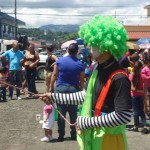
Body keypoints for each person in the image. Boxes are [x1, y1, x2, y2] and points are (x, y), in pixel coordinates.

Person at [40, 15, 132, 150]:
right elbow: (86, 95)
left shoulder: (120, 77)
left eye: (94, 44)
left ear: (106, 45)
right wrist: (54, 96)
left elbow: (123, 116)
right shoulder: (97, 68)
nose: (90, 47)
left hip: (110, 141)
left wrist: (89, 122)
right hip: (96, 136)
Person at [49, 43, 85, 142]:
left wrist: (51, 87)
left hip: (60, 89)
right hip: (73, 89)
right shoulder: (79, 63)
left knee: (61, 113)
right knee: (73, 113)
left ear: (67, 50)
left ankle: (61, 135)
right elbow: (82, 80)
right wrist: (81, 91)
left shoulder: (59, 61)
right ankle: (74, 134)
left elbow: (55, 74)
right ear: (77, 51)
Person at [128, 61, 148, 133]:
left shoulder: (131, 75)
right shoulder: (143, 76)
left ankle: (136, 126)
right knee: (142, 111)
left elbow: (132, 89)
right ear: (141, 68)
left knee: (135, 111)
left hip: (134, 95)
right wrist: (145, 97)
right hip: (141, 96)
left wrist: (137, 91)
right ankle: (144, 126)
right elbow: (145, 88)